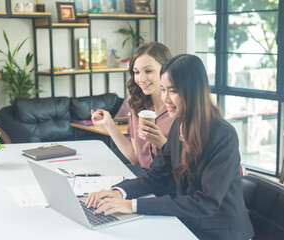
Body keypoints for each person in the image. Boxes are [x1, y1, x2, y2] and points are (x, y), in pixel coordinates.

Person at [86, 54, 254, 240]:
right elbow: (156, 176)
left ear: (193, 91)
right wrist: (118, 191)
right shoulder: (179, 124)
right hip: (188, 224)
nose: (165, 99)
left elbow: (205, 203)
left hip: (220, 232)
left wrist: (133, 205)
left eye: (172, 91)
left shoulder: (223, 135)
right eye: (163, 90)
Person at [91, 42, 174, 170]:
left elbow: (193, 165)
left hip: (176, 184)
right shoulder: (138, 106)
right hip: (148, 180)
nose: (141, 79)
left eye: (148, 71)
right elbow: (134, 157)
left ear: (166, 69)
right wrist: (109, 124)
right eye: (136, 72)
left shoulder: (180, 109)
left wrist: (163, 143)